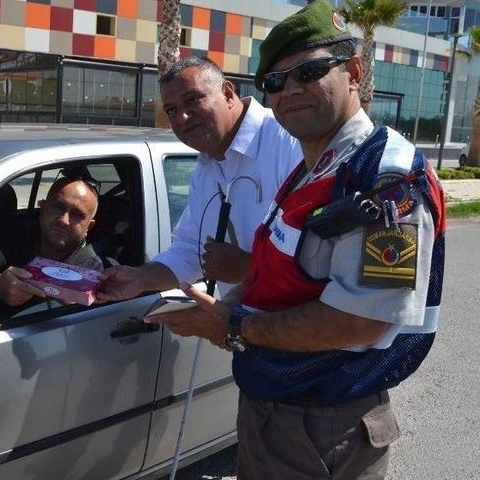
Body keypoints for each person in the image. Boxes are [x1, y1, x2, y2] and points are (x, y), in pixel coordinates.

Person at [146, 1, 447, 478]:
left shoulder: (383, 179)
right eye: (275, 82)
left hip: (324, 425)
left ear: (353, 71)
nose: (290, 90)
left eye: (308, 71)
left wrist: (230, 326)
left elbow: (358, 323)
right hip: (280, 409)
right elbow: (283, 276)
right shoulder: (314, 170)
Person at [97, 56, 301, 303]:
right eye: (171, 110)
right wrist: (140, 278)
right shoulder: (207, 165)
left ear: (227, 93)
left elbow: (320, 257)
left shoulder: (290, 140)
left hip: (297, 331)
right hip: (245, 329)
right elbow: (191, 250)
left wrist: (249, 268)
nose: (182, 117)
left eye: (193, 99)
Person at [0, 175, 103, 318]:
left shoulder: (90, 269)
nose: (64, 220)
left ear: (89, 227)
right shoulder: (18, 234)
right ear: (42, 208)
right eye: (58, 207)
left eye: (77, 214)